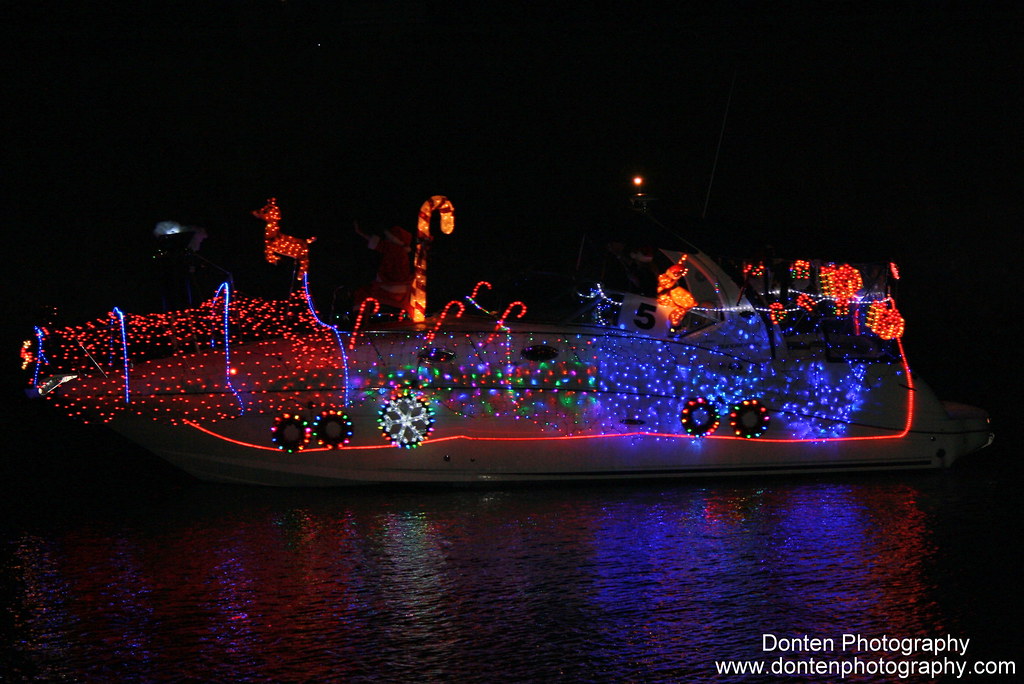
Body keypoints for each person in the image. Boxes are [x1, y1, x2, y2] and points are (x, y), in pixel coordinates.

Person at [353, 221, 415, 317]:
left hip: (389, 290)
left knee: (361, 292)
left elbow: (378, 244)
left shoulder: (394, 249)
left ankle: (359, 317)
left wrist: (360, 233)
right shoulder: (403, 253)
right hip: (401, 290)